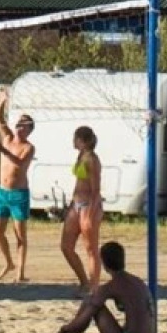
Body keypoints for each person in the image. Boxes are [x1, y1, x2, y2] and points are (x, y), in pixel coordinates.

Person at [53, 241, 157, 333]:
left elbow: (82, 321)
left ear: (104, 263)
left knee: (90, 302)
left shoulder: (111, 286)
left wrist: (65, 329)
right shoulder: (138, 282)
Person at [0, 88, 35, 282]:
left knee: (20, 235)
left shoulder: (29, 147)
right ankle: (8, 263)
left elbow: (20, 164)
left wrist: (2, 150)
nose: (19, 127)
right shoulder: (7, 137)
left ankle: (21, 272)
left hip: (18, 194)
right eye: (19, 124)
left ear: (29, 130)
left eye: (24, 126)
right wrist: (3, 101)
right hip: (2, 192)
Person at [61, 125, 104, 295]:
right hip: (76, 203)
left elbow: (95, 189)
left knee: (90, 249)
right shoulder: (81, 156)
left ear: (82, 140)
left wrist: (91, 213)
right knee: (66, 246)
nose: (73, 141)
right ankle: (84, 281)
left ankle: (93, 287)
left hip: (88, 205)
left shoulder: (92, 159)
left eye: (75, 138)